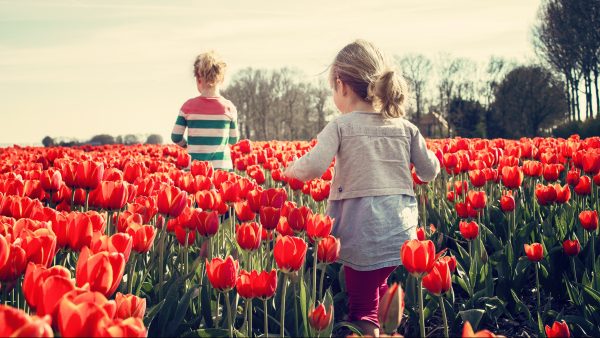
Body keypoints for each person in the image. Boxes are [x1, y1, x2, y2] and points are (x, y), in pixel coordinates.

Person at [283, 39, 440, 337]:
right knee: (380, 287)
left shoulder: (341, 126)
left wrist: (290, 169)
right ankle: (384, 327)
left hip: (363, 231)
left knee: (363, 306)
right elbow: (429, 171)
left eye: (333, 88)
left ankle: (370, 331)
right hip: (401, 233)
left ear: (341, 86)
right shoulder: (406, 127)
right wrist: (435, 161)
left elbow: (314, 167)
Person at [171, 51, 239, 171]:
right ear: (222, 79)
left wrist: (187, 145)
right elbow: (234, 139)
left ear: (198, 79)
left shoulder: (188, 107)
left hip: (195, 169)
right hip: (221, 169)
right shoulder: (229, 108)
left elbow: (176, 136)